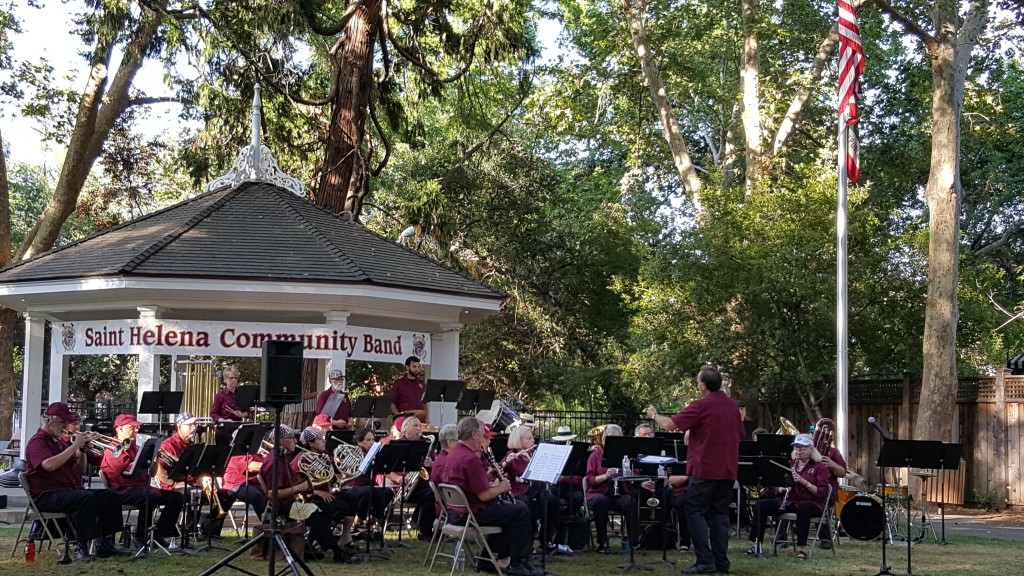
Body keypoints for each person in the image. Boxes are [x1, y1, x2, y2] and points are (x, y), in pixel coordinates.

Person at [647, 366, 744, 575]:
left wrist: (654, 415)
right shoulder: (732, 407)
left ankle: (705, 562)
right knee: (720, 515)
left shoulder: (701, 405)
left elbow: (670, 425)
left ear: (702, 386)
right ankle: (721, 563)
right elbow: (739, 434)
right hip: (727, 470)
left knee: (693, 510)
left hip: (705, 469)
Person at [25, 402, 126, 561]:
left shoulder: (60, 441)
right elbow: (48, 465)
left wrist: (83, 450)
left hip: (67, 490)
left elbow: (80, 470)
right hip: (46, 495)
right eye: (62, 422)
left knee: (110, 496)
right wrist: (74, 447)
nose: (65, 425)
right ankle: (82, 547)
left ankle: (105, 544)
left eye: (67, 422)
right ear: (49, 420)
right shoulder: (38, 441)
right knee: (84, 498)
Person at [444, 417, 541, 576]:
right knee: (520, 510)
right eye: (483, 435)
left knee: (508, 510)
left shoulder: (454, 454)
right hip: (469, 514)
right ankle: (519, 563)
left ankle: (486, 560)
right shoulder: (470, 458)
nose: (484, 438)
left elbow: (471, 485)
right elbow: (484, 495)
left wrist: (488, 477)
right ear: (474, 435)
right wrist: (502, 487)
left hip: (455, 512)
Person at [261, 426, 358, 564]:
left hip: (293, 499)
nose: (295, 441)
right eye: (291, 438)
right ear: (281, 441)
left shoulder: (281, 458)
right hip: (285, 505)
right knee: (317, 513)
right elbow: (272, 494)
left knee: (329, 508)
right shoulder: (274, 463)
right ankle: (335, 551)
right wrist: (301, 487)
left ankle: (310, 545)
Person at [100, 413, 185, 548]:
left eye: (136, 427)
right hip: (122, 490)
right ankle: (141, 536)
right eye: (131, 427)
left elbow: (151, 474)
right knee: (149, 497)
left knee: (176, 497)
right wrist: (143, 459)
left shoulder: (134, 447)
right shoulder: (114, 448)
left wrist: (154, 458)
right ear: (119, 428)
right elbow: (127, 471)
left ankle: (159, 533)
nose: (136, 430)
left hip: (141, 487)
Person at [747, 435, 831, 559]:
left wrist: (804, 482)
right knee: (761, 505)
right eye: (796, 448)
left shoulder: (819, 467)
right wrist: (782, 488)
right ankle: (757, 543)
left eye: (802, 448)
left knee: (804, 507)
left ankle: (802, 549)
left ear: (811, 450)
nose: (798, 451)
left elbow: (822, 493)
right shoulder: (790, 464)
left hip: (812, 503)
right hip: (790, 501)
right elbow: (776, 486)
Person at [155, 412, 237, 538]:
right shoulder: (168, 445)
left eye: (195, 424)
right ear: (179, 426)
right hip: (174, 487)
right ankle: (189, 531)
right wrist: (174, 483)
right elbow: (158, 470)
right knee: (193, 493)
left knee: (227, 495)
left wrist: (205, 477)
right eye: (190, 425)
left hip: (192, 485)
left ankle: (209, 530)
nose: (194, 428)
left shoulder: (193, 445)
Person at [501, 426, 558, 551]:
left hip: (534, 491)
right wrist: (506, 464)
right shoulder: (511, 455)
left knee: (550, 500)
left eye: (532, 438)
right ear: (518, 440)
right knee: (527, 504)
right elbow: (499, 472)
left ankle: (546, 539)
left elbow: (541, 477)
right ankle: (526, 545)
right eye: (529, 438)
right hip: (518, 492)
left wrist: (530, 462)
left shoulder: (533, 454)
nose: (533, 441)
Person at [585, 424, 639, 553]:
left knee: (630, 502)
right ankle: (602, 543)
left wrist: (625, 472)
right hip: (599, 492)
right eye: (610, 439)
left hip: (621, 492)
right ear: (604, 440)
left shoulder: (627, 456)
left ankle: (634, 543)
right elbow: (589, 479)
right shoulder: (596, 455)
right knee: (600, 502)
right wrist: (605, 475)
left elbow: (636, 474)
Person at [386, 416, 436, 540]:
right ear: (405, 429)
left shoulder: (425, 444)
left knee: (436, 491)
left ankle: (426, 524)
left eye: (420, 426)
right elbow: (384, 468)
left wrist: (432, 463)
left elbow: (439, 463)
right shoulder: (396, 445)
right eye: (416, 426)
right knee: (431, 494)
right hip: (405, 487)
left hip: (422, 485)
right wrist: (398, 478)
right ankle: (425, 532)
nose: (419, 429)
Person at [343, 426, 394, 520]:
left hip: (369, 485)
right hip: (354, 486)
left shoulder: (374, 454)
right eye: (368, 439)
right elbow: (347, 471)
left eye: (373, 439)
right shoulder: (353, 452)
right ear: (359, 442)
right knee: (370, 492)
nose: (372, 442)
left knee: (388, 492)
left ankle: (374, 518)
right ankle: (359, 518)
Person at [221, 430, 267, 519]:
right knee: (256, 496)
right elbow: (251, 467)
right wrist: (271, 463)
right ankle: (266, 523)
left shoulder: (254, 452)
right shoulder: (236, 452)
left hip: (253, 483)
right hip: (236, 486)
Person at [211, 366, 252, 445]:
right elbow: (214, 413)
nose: (234, 380)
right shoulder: (220, 396)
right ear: (225, 380)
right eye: (231, 378)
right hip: (223, 432)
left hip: (238, 431)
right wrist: (224, 421)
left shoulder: (241, 395)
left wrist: (242, 414)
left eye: (236, 378)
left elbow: (248, 411)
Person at [390, 355, 428, 422]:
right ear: (407, 367)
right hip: (405, 421)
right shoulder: (399, 383)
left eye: (418, 367)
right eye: (414, 366)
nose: (417, 369)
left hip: (420, 421)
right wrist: (398, 416)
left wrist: (427, 417)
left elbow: (424, 402)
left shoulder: (421, 383)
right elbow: (392, 403)